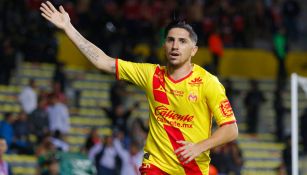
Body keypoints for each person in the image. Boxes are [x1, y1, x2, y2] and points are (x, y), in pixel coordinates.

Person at [40, 2, 238, 174]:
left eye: (182, 41)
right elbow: (104, 62)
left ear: (193, 50)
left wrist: (198, 147)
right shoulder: (151, 74)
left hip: (192, 168)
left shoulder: (208, 82)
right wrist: (68, 27)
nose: (175, 46)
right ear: (164, 46)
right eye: (170, 40)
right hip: (155, 166)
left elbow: (230, 129)